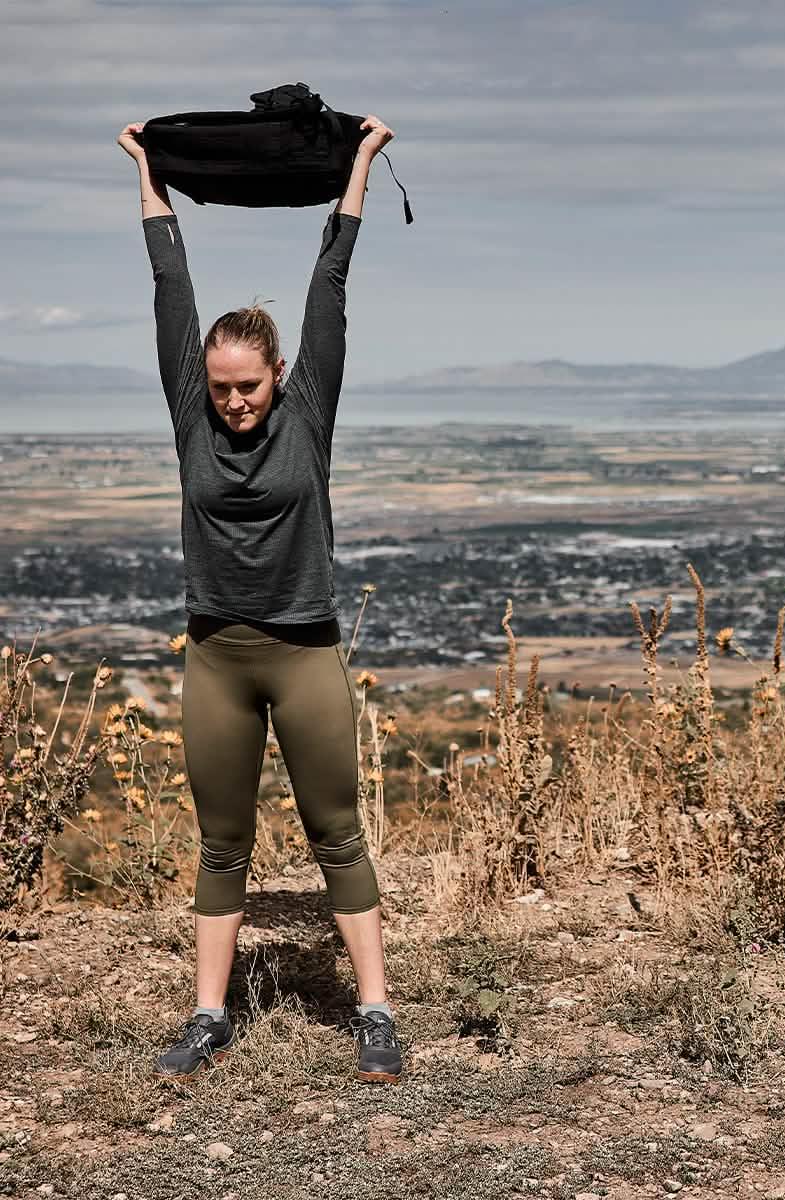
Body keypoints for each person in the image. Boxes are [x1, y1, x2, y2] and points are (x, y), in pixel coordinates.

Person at [117, 115, 404, 1084]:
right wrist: (149, 172)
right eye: (224, 388)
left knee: (337, 830)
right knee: (221, 842)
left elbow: (330, 285)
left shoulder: (308, 410)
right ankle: (208, 1014)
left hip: (304, 647)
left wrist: (358, 166)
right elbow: (170, 285)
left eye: (250, 387)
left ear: (279, 375)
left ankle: (374, 1011)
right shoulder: (189, 411)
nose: (237, 403)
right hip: (217, 655)